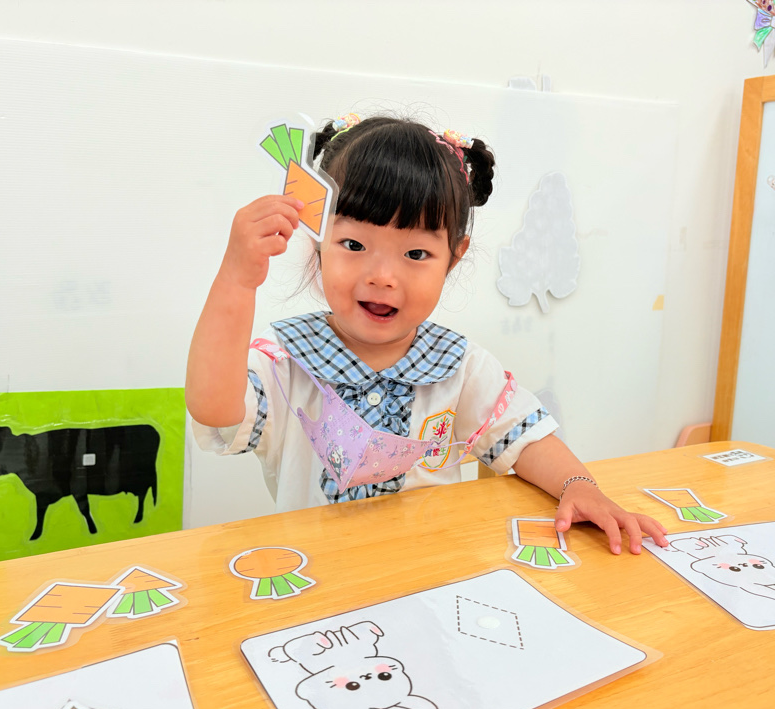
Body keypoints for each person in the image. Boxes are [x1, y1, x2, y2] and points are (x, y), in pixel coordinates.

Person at [186, 114, 668, 555]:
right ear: (318, 242)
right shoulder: (288, 359)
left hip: (431, 577)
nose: (382, 277)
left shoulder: (458, 365)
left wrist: (578, 486)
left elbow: (524, 437)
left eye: (415, 254)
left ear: (453, 258)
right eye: (353, 244)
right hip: (317, 578)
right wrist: (237, 279)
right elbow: (214, 410)